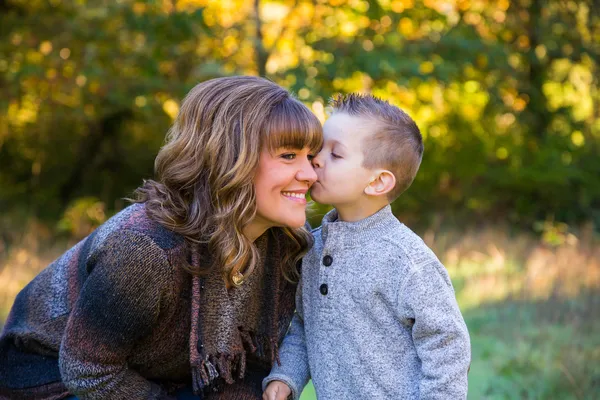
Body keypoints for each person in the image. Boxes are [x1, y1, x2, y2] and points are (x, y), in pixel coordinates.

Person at [0, 76, 323, 400]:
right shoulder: (147, 250)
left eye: (311, 156)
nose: (309, 174)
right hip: (49, 378)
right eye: (288, 156)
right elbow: (89, 369)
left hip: (154, 378)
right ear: (230, 158)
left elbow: (247, 367)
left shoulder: (286, 244)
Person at [262, 94, 471, 400]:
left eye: (336, 155)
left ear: (377, 183)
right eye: (320, 148)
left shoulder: (407, 261)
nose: (316, 159)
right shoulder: (311, 248)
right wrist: (286, 376)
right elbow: (305, 327)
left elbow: (447, 347)